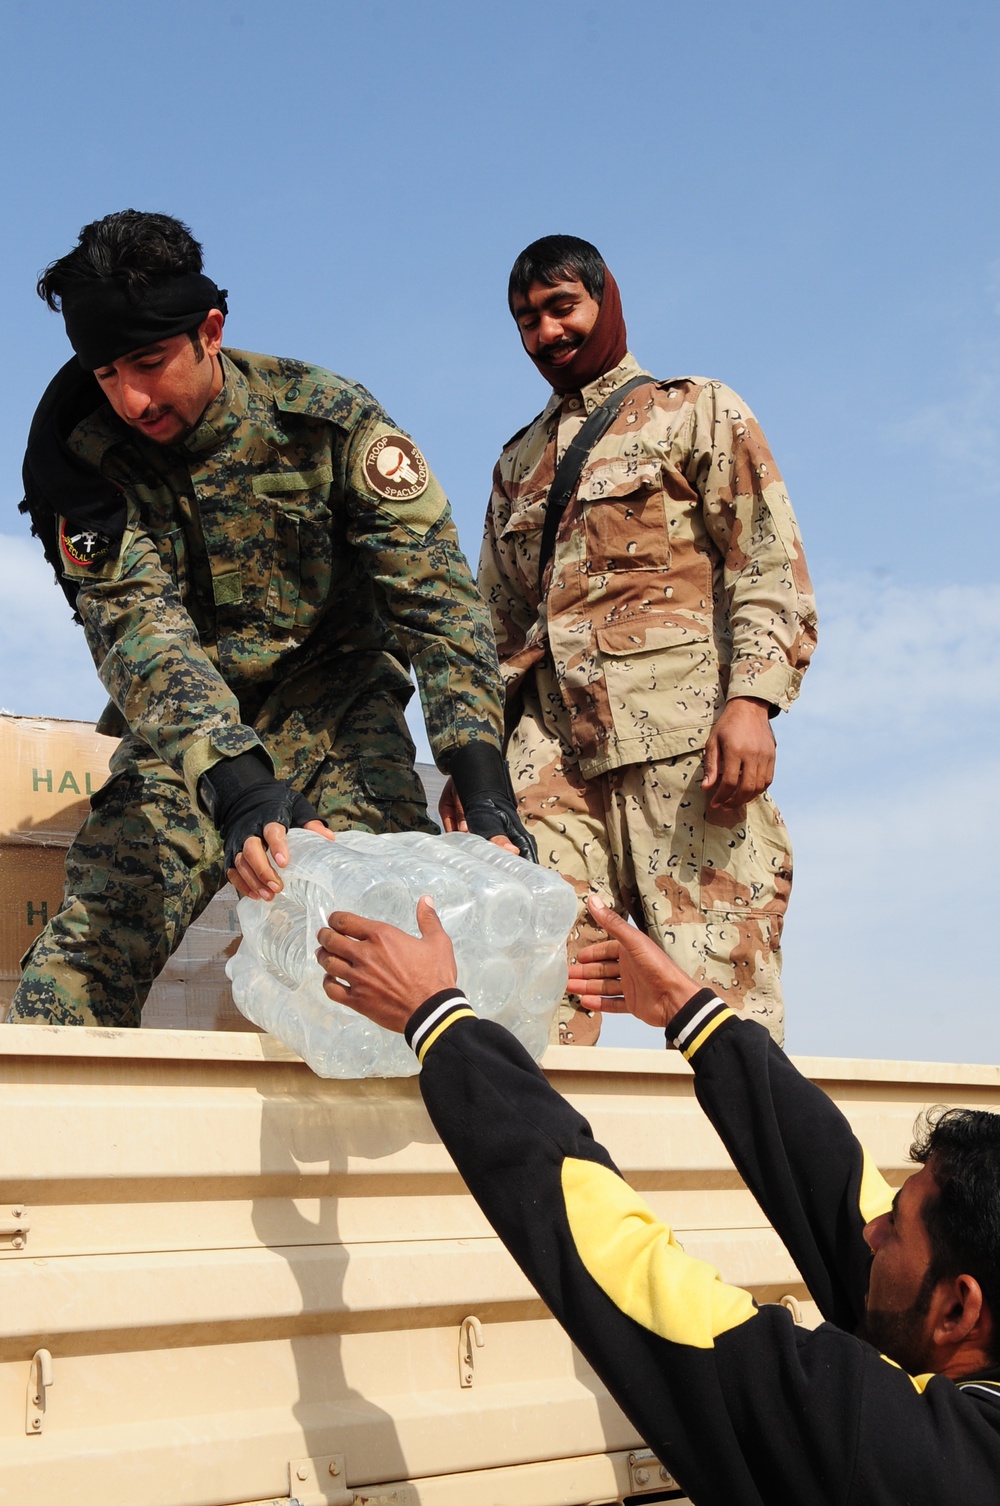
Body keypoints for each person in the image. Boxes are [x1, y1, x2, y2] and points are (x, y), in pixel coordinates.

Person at [10, 208, 533, 1029]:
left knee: (388, 940)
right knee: (96, 939)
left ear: (209, 330)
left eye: (149, 363)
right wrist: (240, 788)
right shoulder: (78, 457)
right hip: (192, 732)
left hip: (339, 717)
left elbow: (436, 603)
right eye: (106, 373)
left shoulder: (323, 421)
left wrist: (483, 783)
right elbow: (138, 632)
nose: (131, 398)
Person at [313, 895, 1000, 1505]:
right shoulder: (958, 1396)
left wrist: (439, 1019)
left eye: (896, 1230)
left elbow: (637, 1276)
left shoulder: (895, 1453)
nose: (871, 1232)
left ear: (960, 1308)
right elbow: (839, 1192)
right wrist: (690, 1011)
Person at [444, 234, 817, 1045]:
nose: (545, 334)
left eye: (561, 308)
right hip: (551, 764)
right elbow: (491, 627)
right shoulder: (518, 462)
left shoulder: (699, 410)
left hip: (684, 752)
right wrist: (473, 765)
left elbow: (768, 565)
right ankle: (555, 1170)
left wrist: (752, 701)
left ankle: (738, 1171)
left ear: (605, 298)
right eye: (525, 320)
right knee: (534, 987)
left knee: (719, 995)